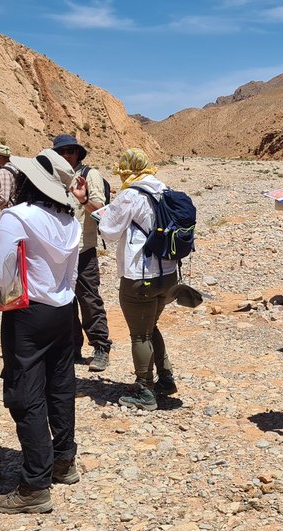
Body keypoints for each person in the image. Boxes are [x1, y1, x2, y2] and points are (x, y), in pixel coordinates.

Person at [0, 149, 88, 514]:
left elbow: (3, 276)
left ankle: (34, 487)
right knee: (60, 386)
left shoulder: (16, 216)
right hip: (62, 310)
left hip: (28, 314)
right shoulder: (71, 220)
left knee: (25, 394)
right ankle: (64, 461)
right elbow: (71, 275)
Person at [97, 148, 180, 411]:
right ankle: (165, 378)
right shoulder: (163, 189)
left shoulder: (129, 194)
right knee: (151, 327)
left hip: (140, 276)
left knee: (140, 336)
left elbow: (108, 232)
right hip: (168, 275)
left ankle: (145, 391)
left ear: (126, 169)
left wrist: (101, 215)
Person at [52, 134, 112, 371]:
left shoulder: (90, 175)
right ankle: (72, 347)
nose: (65, 155)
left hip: (83, 249)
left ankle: (100, 347)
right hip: (59, 250)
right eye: (61, 152)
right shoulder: (55, 178)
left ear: (78, 153)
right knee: (64, 301)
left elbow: (100, 208)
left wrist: (83, 198)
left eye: (69, 151)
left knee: (89, 300)